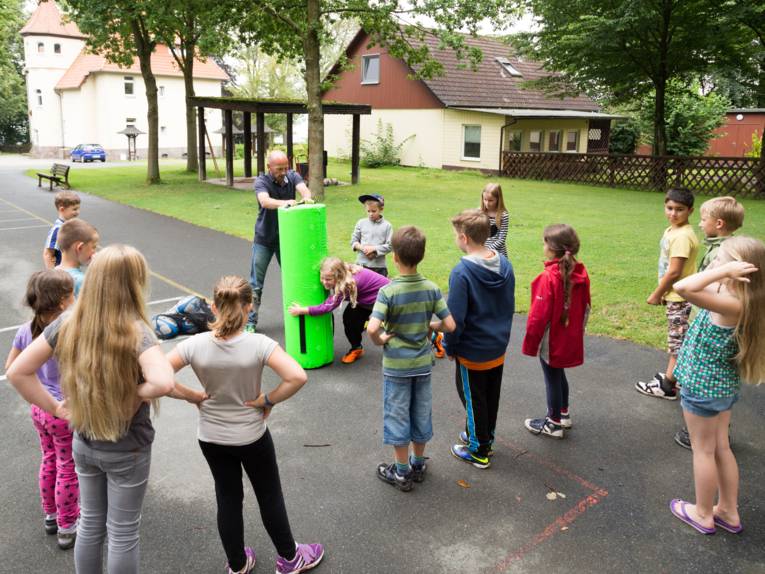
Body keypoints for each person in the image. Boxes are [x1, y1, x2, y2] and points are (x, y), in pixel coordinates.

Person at [7, 244, 175, 574]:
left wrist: (55, 408)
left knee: (90, 525)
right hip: (128, 447)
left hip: (84, 442)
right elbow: (164, 382)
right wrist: (132, 391)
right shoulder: (134, 329)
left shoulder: (68, 321)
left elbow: (17, 372)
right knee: (123, 533)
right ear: (134, 282)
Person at [168, 276, 324, 574]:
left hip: (211, 437)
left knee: (227, 497)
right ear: (249, 307)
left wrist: (192, 396)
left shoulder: (194, 345)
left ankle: (238, 564)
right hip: (251, 435)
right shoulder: (259, 344)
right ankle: (290, 559)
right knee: (268, 494)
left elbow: (158, 377)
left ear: (213, 307)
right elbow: (297, 377)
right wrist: (268, 400)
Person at [668, 236, 765, 535]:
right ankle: (727, 511)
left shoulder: (729, 304)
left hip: (703, 388)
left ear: (738, 272)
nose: (714, 264)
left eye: (721, 260)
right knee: (720, 447)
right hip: (721, 387)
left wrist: (724, 271)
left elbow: (682, 287)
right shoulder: (742, 297)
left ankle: (702, 514)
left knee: (704, 451)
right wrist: (724, 272)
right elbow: (694, 281)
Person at [367, 226, 455, 491]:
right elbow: (449, 325)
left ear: (394, 256)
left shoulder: (388, 292)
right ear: (422, 256)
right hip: (422, 366)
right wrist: (431, 325)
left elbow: (373, 328)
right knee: (420, 412)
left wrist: (380, 340)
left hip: (396, 368)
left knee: (397, 415)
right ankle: (418, 464)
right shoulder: (431, 288)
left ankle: (402, 472)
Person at [5, 270, 78, 549]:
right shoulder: (66, 330)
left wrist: (37, 396)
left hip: (39, 408)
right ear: (62, 302)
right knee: (68, 467)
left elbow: (11, 368)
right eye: (72, 293)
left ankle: (51, 514)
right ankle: (68, 525)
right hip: (63, 410)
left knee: (49, 460)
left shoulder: (27, 329)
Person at [444, 209, 515, 468]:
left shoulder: (462, 273)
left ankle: (478, 449)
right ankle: (484, 435)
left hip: (472, 351)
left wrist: (448, 345)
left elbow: (456, 319)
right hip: (497, 345)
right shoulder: (504, 263)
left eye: (455, 235)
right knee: (489, 395)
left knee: (473, 398)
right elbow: (509, 304)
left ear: (463, 238)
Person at [675, 196, 744, 449]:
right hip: (714, 319)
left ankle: (707, 433)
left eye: (703, 219)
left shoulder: (725, 252)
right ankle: (716, 432)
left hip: (712, 326)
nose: (700, 224)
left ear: (718, 222)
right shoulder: (728, 247)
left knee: (706, 447)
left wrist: (719, 270)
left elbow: (689, 287)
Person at [522, 224, 591, 439]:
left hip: (552, 340)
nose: (542, 246)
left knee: (551, 375)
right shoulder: (580, 272)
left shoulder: (548, 278)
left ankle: (553, 423)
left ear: (552, 248)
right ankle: (563, 413)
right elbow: (587, 306)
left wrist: (531, 344)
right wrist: (579, 331)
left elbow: (538, 317)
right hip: (569, 335)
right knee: (558, 373)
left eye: (544, 242)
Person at [635, 187, 699, 400]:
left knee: (677, 344)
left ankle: (668, 386)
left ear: (690, 210)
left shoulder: (682, 236)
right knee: (678, 339)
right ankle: (675, 376)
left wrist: (657, 293)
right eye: (669, 208)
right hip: (675, 295)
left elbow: (674, 271)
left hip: (680, 298)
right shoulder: (672, 231)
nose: (673, 213)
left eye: (679, 209)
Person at [248, 150, 312, 331]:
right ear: (269, 167)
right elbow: (265, 201)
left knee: (295, 278)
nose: (284, 172)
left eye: (286, 167)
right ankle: (250, 322)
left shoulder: (292, 176)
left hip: (287, 241)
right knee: (256, 284)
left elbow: (304, 189)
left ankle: (299, 316)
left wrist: (306, 197)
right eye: (279, 169)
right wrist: (285, 203)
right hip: (264, 240)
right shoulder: (262, 181)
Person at [288, 257, 390, 364]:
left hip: (385, 300)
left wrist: (302, 310)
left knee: (395, 330)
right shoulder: (342, 270)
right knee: (349, 320)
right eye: (322, 278)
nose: (324, 282)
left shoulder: (347, 285)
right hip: (364, 300)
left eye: (328, 279)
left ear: (339, 276)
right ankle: (357, 348)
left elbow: (327, 306)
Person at [350, 194, 393, 277]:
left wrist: (374, 249)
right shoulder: (361, 223)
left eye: (374, 211)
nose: (370, 214)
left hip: (379, 268)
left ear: (381, 209)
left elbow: (390, 246)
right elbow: (353, 241)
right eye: (368, 211)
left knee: (379, 289)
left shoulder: (387, 226)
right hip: (361, 266)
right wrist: (363, 248)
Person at [56, 218, 99, 296]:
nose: (94, 252)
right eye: (93, 247)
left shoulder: (54, 272)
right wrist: (96, 271)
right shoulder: (80, 281)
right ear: (80, 248)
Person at [43, 190, 80, 269]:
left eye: (78, 209)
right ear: (62, 209)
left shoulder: (70, 226)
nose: (78, 212)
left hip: (72, 270)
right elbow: (48, 254)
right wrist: (52, 275)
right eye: (74, 209)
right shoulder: (58, 229)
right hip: (61, 274)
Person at [480, 183, 509, 259]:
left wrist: (487, 250)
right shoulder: (480, 212)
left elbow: (501, 239)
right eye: (485, 199)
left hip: (498, 254)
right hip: (482, 253)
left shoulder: (503, 215)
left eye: (490, 200)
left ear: (498, 199)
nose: (487, 203)